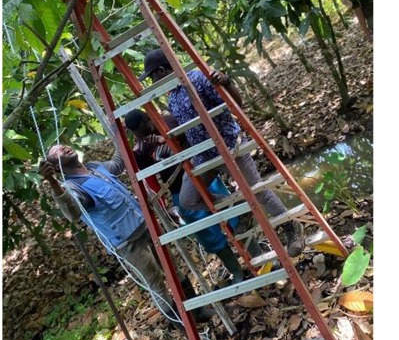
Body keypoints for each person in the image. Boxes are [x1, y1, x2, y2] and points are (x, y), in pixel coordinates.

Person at [138, 51, 305, 257]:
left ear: (162, 71)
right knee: (188, 199)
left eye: (153, 77)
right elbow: (189, 128)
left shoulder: (197, 79)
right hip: (204, 156)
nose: (153, 82)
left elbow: (236, 104)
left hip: (229, 146)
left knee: (257, 190)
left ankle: (291, 226)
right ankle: (239, 204)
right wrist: (167, 140)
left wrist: (227, 82)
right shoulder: (172, 97)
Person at [39, 144, 214, 326]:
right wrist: (52, 182)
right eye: (57, 152)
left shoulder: (94, 167)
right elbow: (73, 212)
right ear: (55, 166)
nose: (63, 148)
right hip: (128, 244)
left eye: (62, 145)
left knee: (173, 269)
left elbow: (117, 163)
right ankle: (188, 331)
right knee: (157, 285)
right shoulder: (71, 187)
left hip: (146, 226)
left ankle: (198, 312)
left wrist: (119, 132)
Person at [124, 109, 246, 285]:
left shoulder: (171, 122)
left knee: (233, 218)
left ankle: (254, 254)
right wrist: (165, 206)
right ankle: (236, 271)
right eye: (139, 134)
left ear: (149, 118)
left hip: (203, 177)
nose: (146, 135)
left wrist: (165, 138)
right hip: (179, 192)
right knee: (209, 235)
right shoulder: (140, 150)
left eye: (147, 128)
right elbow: (150, 180)